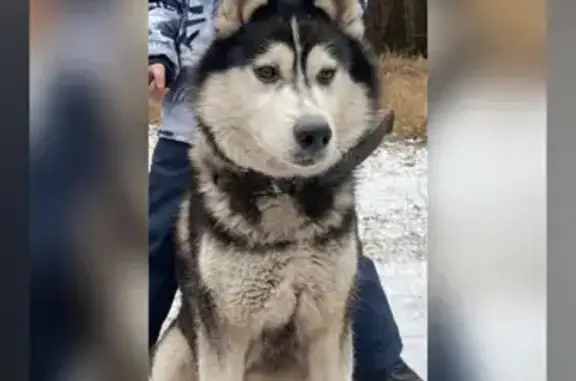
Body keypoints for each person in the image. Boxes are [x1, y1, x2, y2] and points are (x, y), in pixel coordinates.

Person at [148, 1, 423, 380]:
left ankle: (383, 362)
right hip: (195, 122)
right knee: (153, 244)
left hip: (306, 125)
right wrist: (156, 49)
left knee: (336, 264)